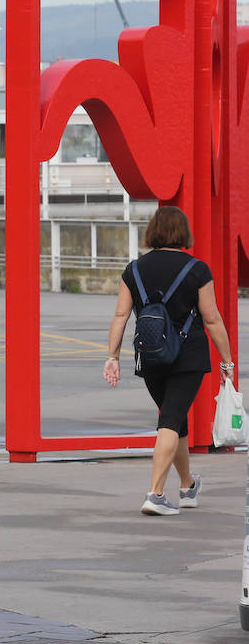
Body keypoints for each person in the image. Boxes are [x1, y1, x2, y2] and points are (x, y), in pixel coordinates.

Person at [102, 206, 235, 516]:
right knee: (170, 420)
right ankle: (155, 494)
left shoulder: (134, 269)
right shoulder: (197, 269)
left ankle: (188, 486)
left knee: (175, 420)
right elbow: (211, 318)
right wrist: (226, 361)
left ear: (153, 231)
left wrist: (112, 357)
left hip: (150, 357)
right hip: (187, 357)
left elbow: (121, 315)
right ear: (182, 233)